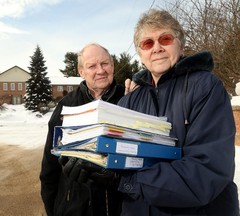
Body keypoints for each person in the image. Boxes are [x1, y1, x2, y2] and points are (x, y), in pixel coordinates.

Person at [116, 9, 240, 215]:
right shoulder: (129, 101)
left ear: (180, 45)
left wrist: (131, 181)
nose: (156, 48)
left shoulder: (205, 87)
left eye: (165, 39)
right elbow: (115, 154)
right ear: (141, 53)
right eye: (148, 43)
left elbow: (206, 171)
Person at [39, 43, 125, 216]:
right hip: (75, 209)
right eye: (92, 66)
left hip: (121, 207)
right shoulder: (66, 106)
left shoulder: (129, 99)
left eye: (105, 63)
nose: (100, 70)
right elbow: (49, 170)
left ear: (113, 65)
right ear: (81, 71)